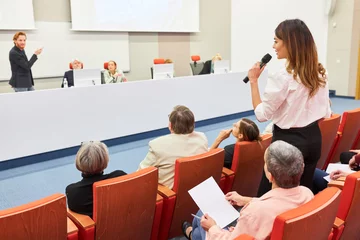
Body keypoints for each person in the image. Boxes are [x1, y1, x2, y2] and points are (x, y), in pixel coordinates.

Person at [247, 19, 332, 196]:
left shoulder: (282, 76)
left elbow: (262, 115)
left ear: (290, 43)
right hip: (313, 139)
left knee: (269, 197)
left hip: (287, 145)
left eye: (277, 41)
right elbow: (326, 112)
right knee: (301, 196)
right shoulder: (319, 72)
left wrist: (253, 82)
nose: (274, 46)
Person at [183, 141, 314, 240]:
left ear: (270, 176)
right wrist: (246, 200)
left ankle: (192, 234)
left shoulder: (255, 211)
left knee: (201, 216)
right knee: (199, 226)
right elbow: (281, 202)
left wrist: (212, 227)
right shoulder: (307, 194)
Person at [138, 105, 208, 189]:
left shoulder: (158, 145)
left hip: (168, 195)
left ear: (170, 125)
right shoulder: (202, 138)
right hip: (195, 190)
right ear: (193, 124)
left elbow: (140, 174)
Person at [66, 141, 126, 218]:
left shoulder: (73, 192)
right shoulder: (120, 177)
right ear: (105, 160)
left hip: (97, 229)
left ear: (79, 161)